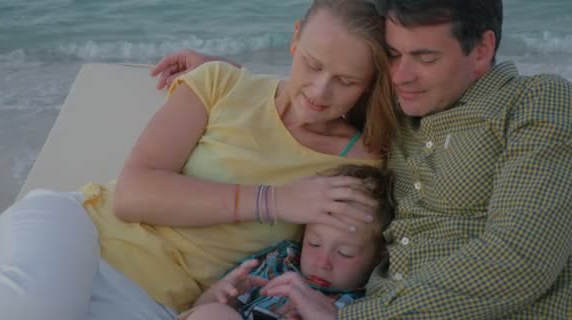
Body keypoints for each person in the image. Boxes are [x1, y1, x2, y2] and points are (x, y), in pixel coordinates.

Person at [0, 1, 398, 320]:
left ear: (369, 84)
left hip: (158, 305)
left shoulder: (363, 162)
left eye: (345, 80)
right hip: (80, 237)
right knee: (27, 308)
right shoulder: (221, 84)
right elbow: (132, 195)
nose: (320, 92)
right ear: (295, 36)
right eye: (312, 64)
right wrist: (276, 200)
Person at [151, 0, 572, 319]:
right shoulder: (400, 111)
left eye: (425, 58)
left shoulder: (535, 102)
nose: (401, 75)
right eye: (392, 55)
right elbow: (319, 89)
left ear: (482, 51)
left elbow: (521, 258)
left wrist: (351, 317)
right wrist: (230, 78)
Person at [182, 164, 395, 320]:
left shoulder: (370, 301)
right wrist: (219, 295)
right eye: (314, 243)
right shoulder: (279, 263)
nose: (323, 262)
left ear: (379, 255)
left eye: (345, 253)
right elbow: (198, 310)